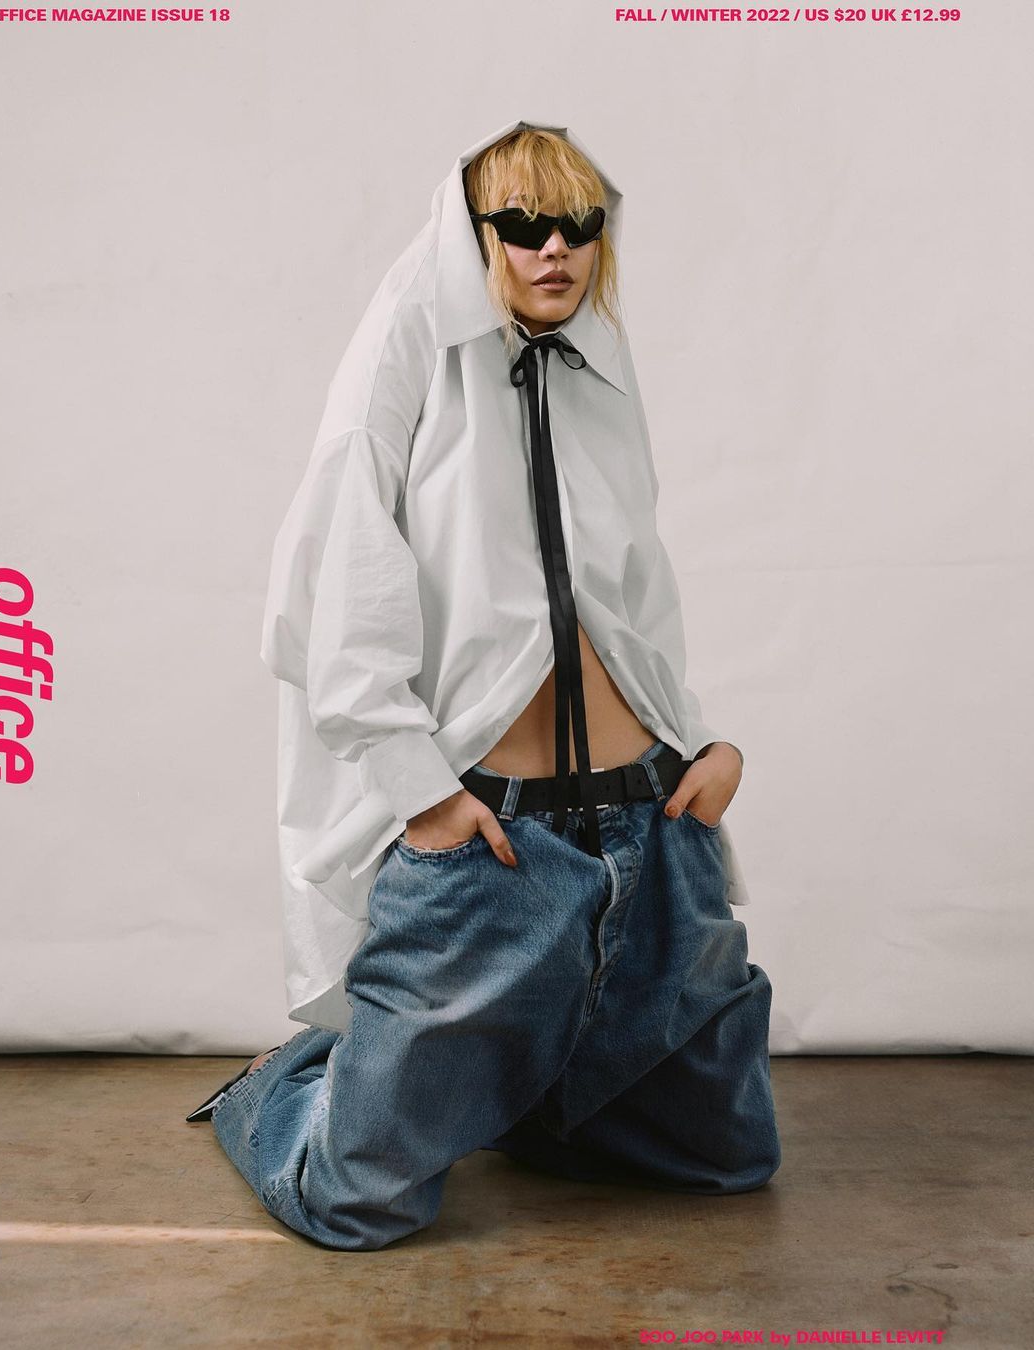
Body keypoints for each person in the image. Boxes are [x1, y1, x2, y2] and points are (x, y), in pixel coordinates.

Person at [186, 118, 781, 1251]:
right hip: (493, 846)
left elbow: (635, 593)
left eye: (578, 225)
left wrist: (705, 745)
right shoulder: (408, 354)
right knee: (355, 1203)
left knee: (727, 1157)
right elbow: (334, 585)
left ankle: (519, 1091)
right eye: (521, 224)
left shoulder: (601, 368)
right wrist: (421, 792)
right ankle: (292, 1083)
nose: (554, 249)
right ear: (474, 237)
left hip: (653, 825)